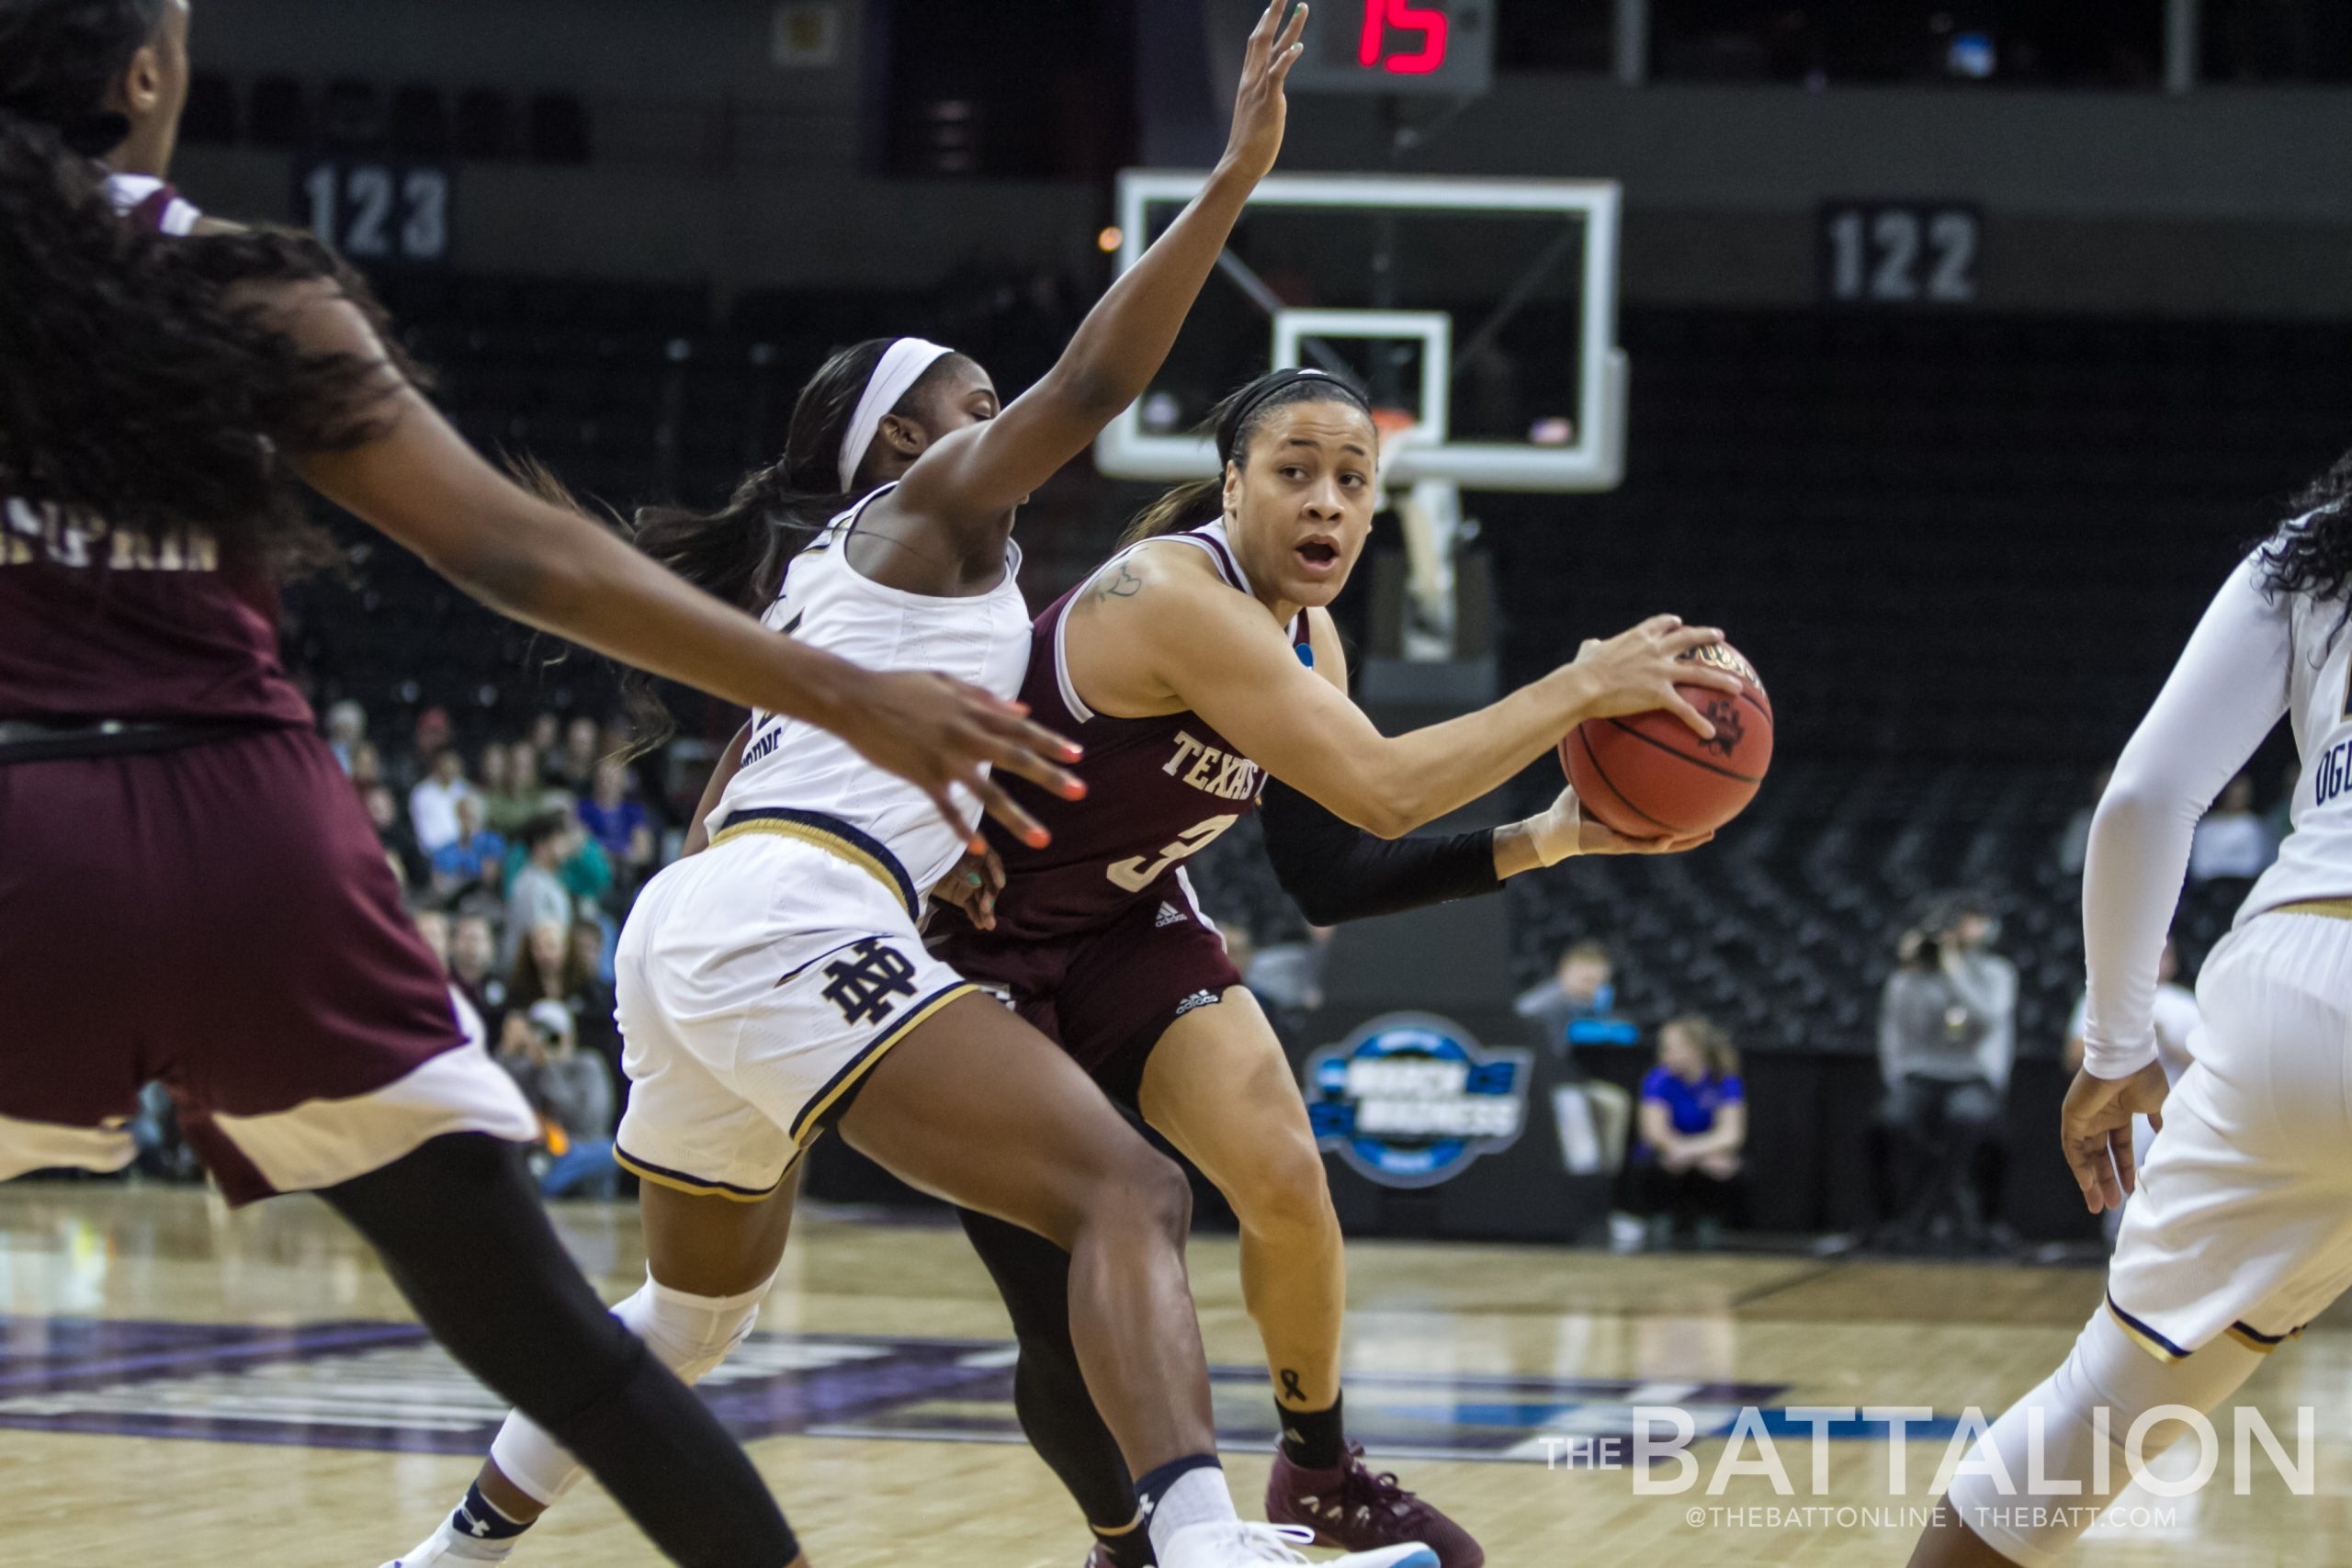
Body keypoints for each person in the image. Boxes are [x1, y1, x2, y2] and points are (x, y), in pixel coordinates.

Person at [0, 5, 1082, 1566]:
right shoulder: (243, 285)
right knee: (573, 1349)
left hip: (25, 834)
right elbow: (515, 549)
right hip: (253, 837)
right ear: (148, 75)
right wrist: (849, 692)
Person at [390, 14, 1430, 1568]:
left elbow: (730, 788)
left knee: (696, 1301)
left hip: (692, 920)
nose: (990, 413)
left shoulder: (841, 588)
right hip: (790, 909)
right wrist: (1228, 183)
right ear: (898, 439)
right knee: (1129, 1190)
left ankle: (454, 1553)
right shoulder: (922, 510)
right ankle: (1210, 1546)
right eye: (966, 396)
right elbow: (1090, 382)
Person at [1907, 466, 2352, 1565]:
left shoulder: (2310, 556)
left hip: (2291, 982)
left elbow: (2145, 799)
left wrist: (2116, 1045)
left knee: (2096, 1413)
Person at [1878, 893, 2017, 1250]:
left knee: (1967, 1118)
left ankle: (1954, 1217)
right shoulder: (1910, 978)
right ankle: (1911, 1217)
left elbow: (1987, 1020)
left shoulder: (1995, 973)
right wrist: (1912, 969)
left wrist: (1954, 970)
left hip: (1970, 1075)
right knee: (1892, 1120)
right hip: (1921, 1075)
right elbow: (1898, 1032)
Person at [2064, 937, 2198, 1246]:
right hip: (2119, 1109)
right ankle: (2118, 1246)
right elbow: (2073, 1057)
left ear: (2172, 962)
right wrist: (2123, 1036)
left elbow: (2207, 1065)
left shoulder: (2186, 1004)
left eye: (2162, 956)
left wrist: (2163, 1038)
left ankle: (2168, 1247)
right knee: (2122, 1180)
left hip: (2174, 1112)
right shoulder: (2101, 998)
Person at [1627, 1015, 1746, 1250]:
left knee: (1727, 1166)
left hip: (1700, 1153)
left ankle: (1709, 1229)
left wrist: (1692, 1153)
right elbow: (1654, 1133)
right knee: (1656, 1164)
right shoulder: (1658, 1079)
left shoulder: (1725, 1080)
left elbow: (1731, 1134)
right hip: (1667, 1153)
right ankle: (1659, 1227)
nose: (1663, 1054)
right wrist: (1680, 1150)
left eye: (1670, 1048)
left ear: (1695, 1050)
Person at [498, 999, 619, 1200]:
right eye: (537, 1034)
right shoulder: (526, 1067)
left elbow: (589, 1124)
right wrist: (507, 1052)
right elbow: (498, 1105)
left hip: (580, 1150)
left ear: (569, 1037)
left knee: (606, 1153)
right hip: (539, 1149)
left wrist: (551, 1068)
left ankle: (541, 1184)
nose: (545, 1042)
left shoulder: (588, 1064)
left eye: (553, 1036)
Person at [1512, 938, 1640, 1058]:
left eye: (1597, 982)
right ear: (1564, 971)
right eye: (1586, 980)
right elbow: (1557, 1053)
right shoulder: (1549, 1003)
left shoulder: (1593, 999)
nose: (1591, 989)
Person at [503, 813, 576, 969]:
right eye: (559, 840)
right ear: (540, 846)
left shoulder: (551, 881)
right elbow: (537, 937)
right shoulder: (530, 885)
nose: (566, 846)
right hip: (531, 972)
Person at [2188, 770, 2275, 883]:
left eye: (2243, 795)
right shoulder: (2205, 827)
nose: (2238, 799)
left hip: (2244, 888)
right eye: (2234, 794)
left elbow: (2253, 864)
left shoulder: (2254, 826)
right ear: (2225, 793)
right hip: (2208, 892)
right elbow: (2201, 867)